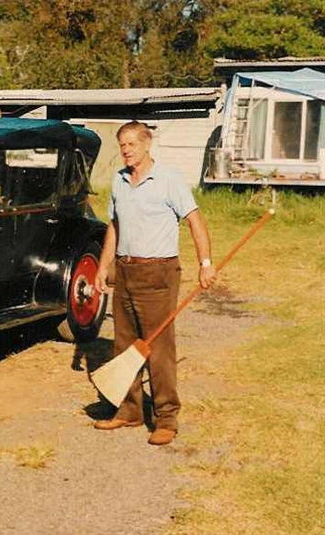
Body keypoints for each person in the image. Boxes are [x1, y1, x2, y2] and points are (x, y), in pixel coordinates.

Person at [93, 121, 216, 446]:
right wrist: (104, 266)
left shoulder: (169, 179)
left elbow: (195, 221)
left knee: (158, 348)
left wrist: (205, 264)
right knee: (123, 345)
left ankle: (166, 417)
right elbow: (115, 227)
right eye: (122, 145)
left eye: (132, 143)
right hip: (125, 270)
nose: (126, 150)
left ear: (147, 145)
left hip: (159, 272)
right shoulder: (119, 182)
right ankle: (130, 410)